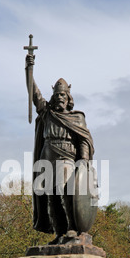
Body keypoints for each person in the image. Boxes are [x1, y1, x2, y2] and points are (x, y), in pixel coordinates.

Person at [25, 54, 95, 244]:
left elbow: (84, 140)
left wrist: (83, 160)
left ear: (68, 97)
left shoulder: (77, 117)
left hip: (67, 159)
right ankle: (59, 233)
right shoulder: (47, 113)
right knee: (51, 197)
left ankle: (73, 227)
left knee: (66, 192)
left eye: (62, 95)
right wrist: (28, 69)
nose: (59, 98)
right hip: (47, 157)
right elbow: (34, 94)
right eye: (56, 95)